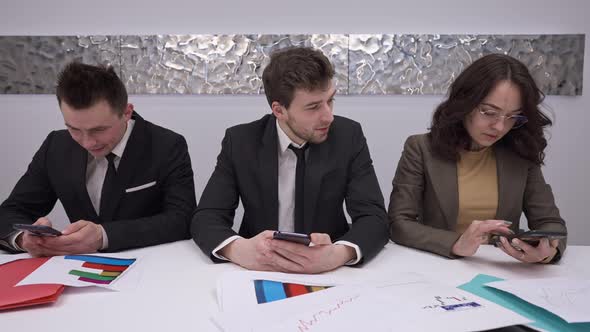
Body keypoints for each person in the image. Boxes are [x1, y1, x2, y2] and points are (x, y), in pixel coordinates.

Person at [192, 47, 388, 273]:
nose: (328, 116)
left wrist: (338, 254)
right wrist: (239, 250)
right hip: (258, 269)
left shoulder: (348, 136)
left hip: (331, 269)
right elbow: (206, 216)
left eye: (330, 101)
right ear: (279, 110)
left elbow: (374, 217)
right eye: (313, 107)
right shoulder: (240, 142)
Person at [0, 62, 196, 256]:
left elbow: (182, 219)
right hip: (78, 272)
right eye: (74, 129)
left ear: (126, 112)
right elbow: (11, 211)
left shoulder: (167, 145)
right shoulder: (56, 146)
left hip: (152, 265)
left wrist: (104, 236)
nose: (87, 142)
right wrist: (22, 239)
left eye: (99, 130)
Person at [388, 53, 567, 263]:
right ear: (465, 104)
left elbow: (551, 224)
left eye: (512, 117)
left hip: (502, 268)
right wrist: (456, 243)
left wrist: (548, 252)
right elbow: (399, 224)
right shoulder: (420, 148)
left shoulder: (520, 153)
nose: (500, 127)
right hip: (438, 266)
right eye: (489, 112)